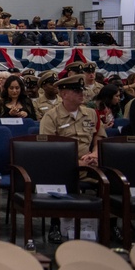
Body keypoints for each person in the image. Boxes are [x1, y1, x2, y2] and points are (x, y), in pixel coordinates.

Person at [39, 74, 106, 243]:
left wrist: (95, 154)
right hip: (63, 165)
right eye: (76, 91)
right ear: (63, 94)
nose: (81, 94)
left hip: (90, 163)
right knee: (58, 178)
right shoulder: (51, 116)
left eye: (81, 90)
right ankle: (55, 224)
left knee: (111, 179)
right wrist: (76, 163)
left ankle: (109, 224)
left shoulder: (91, 113)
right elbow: (48, 149)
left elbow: (100, 137)